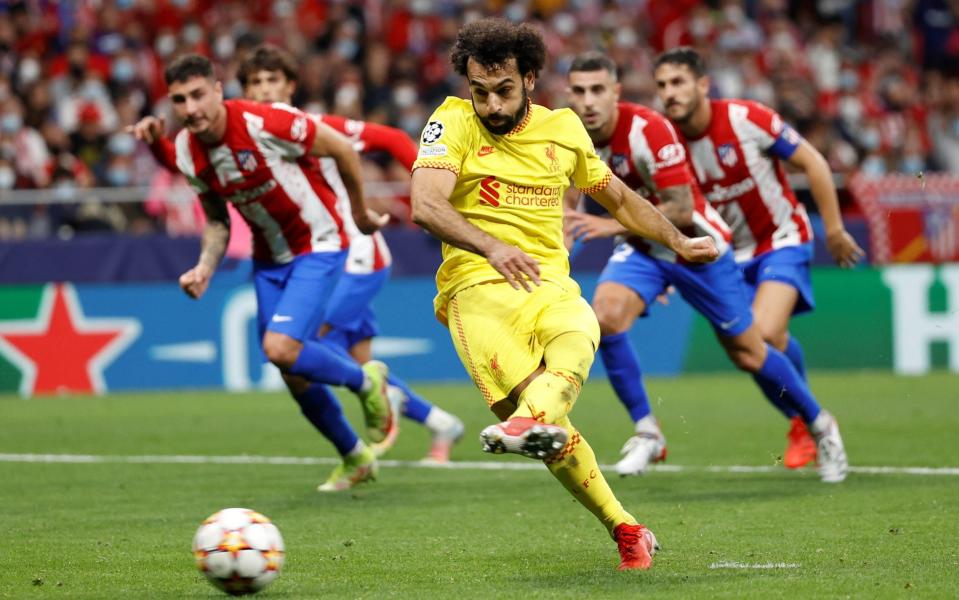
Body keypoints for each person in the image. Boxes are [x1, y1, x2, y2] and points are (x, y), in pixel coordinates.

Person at [410, 19, 718, 571]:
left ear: (530, 78)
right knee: (554, 428)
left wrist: (678, 241)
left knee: (583, 327)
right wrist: (492, 247)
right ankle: (626, 527)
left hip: (549, 282)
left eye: (503, 90)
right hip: (474, 289)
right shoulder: (451, 121)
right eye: (480, 91)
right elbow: (425, 205)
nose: (491, 106)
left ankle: (530, 425)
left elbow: (620, 199)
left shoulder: (564, 130)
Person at [135, 44, 464, 464]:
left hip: (351, 252)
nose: (265, 89)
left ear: (290, 86)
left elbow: (393, 140)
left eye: (273, 80)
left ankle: (381, 403)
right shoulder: (221, 138)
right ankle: (433, 425)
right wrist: (155, 145)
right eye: (255, 82)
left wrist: (429, 201)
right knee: (325, 359)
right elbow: (196, 166)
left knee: (296, 349)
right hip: (287, 253)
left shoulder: (302, 125)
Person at [564, 51, 850, 483]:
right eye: (579, 91)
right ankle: (647, 431)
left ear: (616, 92)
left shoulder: (651, 129)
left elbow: (680, 209)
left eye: (597, 90)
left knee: (752, 351)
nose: (587, 101)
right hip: (644, 248)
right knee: (604, 316)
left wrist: (607, 226)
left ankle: (818, 422)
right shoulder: (571, 137)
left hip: (700, 247)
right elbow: (569, 203)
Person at [653, 47, 864, 478]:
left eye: (678, 82)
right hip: (725, 257)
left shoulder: (747, 118)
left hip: (780, 240)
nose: (669, 93)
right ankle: (801, 420)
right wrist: (667, 268)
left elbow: (814, 162)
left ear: (703, 85)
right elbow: (669, 209)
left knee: (763, 333)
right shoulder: (665, 144)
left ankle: (816, 423)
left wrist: (836, 229)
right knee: (750, 351)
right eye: (661, 85)